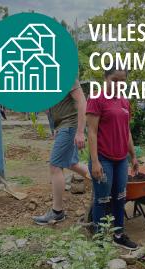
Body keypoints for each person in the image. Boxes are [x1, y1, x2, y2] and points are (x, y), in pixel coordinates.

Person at [86, 65, 139, 250]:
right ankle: (99, 237)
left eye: (122, 81)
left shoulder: (124, 102)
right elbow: (91, 132)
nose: (118, 85)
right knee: (102, 198)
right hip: (103, 158)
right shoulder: (96, 98)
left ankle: (118, 234)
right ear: (106, 78)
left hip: (121, 159)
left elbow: (127, 131)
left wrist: (133, 156)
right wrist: (95, 161)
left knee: (120, 197)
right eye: (114, 80)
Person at [33, 80, 89, 225]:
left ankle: (57, 212)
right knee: (72, 163)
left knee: (55, 165)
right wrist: (54, 127)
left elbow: (82, 101)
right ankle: (104, 181)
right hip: (63, 126)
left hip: (70, 126)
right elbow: (50, 108)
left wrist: (80, 132)